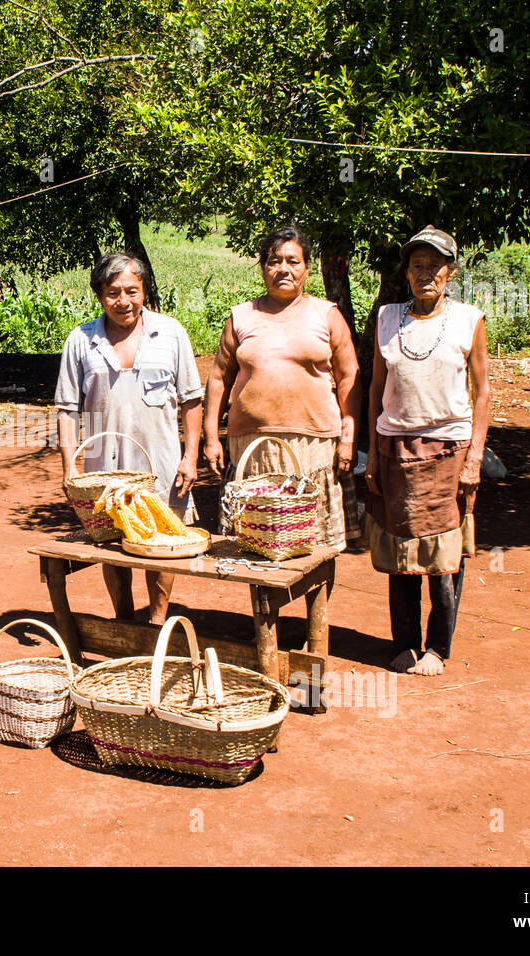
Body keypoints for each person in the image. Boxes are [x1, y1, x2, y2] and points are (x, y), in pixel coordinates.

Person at [365, 225, 491, 677]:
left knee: (444, 556)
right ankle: (404, 643)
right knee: (402, 555)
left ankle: (438, 647)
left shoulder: (468, 320)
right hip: (396, 448)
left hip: (449, 450)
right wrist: (374, 456)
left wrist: (474, 456)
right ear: (407, 272)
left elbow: (483, 392)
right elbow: (377, 388)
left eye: (435, 265)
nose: (425, 274)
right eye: (417, 265)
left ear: (451, 271)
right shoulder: (386, 317)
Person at [55, 252, 204, 626]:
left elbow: (191, 400)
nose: (123, 301)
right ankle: (123, 620)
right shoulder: (81, 341)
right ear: (100, 295)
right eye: (113, 292)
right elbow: (67, 410)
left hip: (162, 463)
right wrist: (70, 467)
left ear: (144, 290)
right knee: (111, 545)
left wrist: (190, 457)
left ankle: (156, 622)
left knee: (160, 544)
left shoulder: (170, 333)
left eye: (131, 291)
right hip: (102, 470)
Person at [203, 226, 360, 550]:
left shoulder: (326, 315)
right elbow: (219, 377)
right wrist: (210, 439)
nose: (283, 269)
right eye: (274, 261)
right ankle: (264, 603)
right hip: (251, 447)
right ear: (263, 268)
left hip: (314, 447)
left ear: (306, 267)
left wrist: (348, 438)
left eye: (293, 261)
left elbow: (349, 377)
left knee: (315, 543)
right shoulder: (241, 317)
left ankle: (317, 604)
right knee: (255, 540)